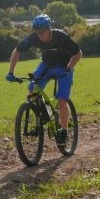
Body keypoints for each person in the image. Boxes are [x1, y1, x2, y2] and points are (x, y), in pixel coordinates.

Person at [6, 14, 82, 145]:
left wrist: (69, 68)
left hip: (64, 67)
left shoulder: (61, 37)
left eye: (42, 32)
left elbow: (78, 54)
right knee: (32, 88)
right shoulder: (34, 38)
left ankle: (63, 131)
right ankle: (45, 114)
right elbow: (17, 51)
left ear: (49, 28)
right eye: (37, 32)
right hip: (46, 65)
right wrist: (11, 72)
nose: (39, 35)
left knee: (62, 99)